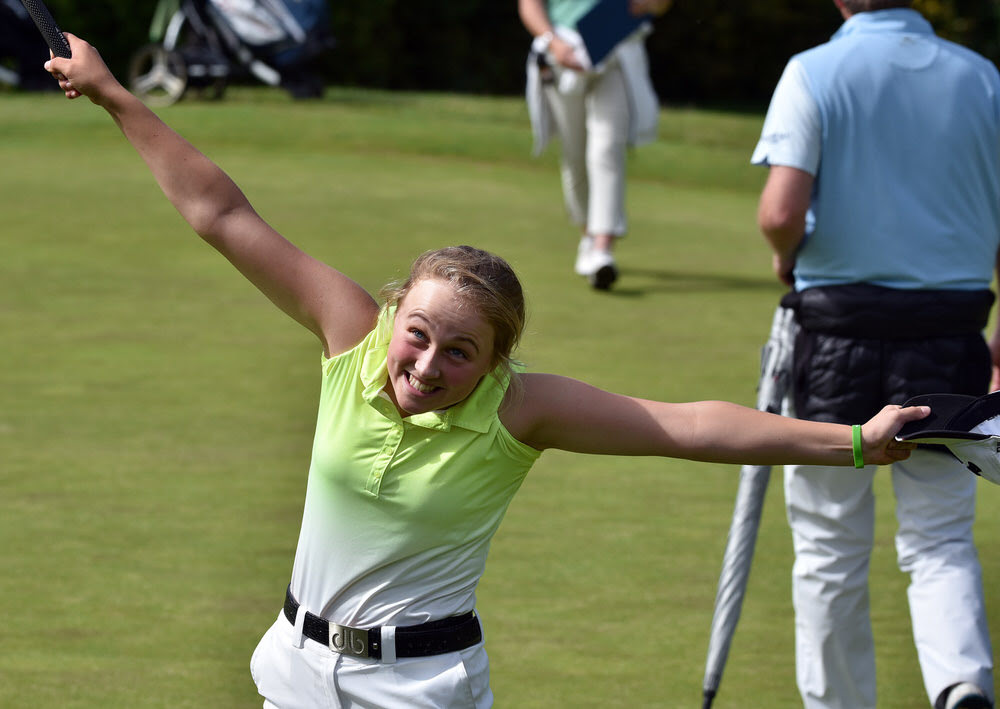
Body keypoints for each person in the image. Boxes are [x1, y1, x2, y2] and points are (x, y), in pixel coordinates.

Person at [45, 33, 929, 709]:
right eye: (419, 334)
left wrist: (851, 440)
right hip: (296, 673)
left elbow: (688, 426)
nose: (427, 365)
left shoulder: (519, 412)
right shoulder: (351, 338)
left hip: (422, 685)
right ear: (394, 314)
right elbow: (221, 212)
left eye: (461, 351)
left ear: (497, 361)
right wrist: (115, 94)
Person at [751, 2, 1000, 708]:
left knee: (831, 545)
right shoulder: (983, 77)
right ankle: (960, 685)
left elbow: (778, 212)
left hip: (836, 333)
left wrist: (785, 258)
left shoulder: (813, 70)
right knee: (941, 536)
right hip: (950, 333)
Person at [519, 0, 670, 290]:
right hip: (562, 54)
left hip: (616, 53)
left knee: (606, 149)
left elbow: (659, 5)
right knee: (575, 156)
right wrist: (553, 42)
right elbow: (530, 7)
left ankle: (602, 250)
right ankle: (588, 234)